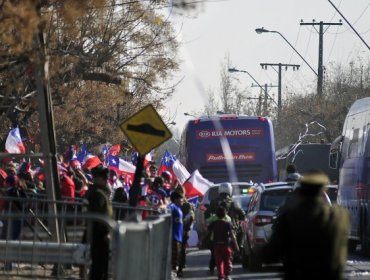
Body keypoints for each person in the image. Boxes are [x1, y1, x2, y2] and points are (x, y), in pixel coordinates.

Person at [260, 170, 350, 280]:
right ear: (323, 191)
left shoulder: (290, 218)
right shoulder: (338, 216)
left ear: (300, 192)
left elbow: (271, 255)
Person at [85, 165, 112, 280]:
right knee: (99, 267)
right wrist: (106, 232)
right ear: (97, 179)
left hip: (98, 234)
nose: (106, 180)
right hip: (99, 235)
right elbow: (100, 215)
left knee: (100, 266)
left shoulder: (100, 192)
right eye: (104, 178)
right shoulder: (98, 194)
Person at [208, 205, 239, 280]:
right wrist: (236, 245)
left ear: (216, 214)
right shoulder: (228, 224)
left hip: (216, 245)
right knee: (227, 260)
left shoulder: (213, 223)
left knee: (219, 262)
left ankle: (221, 276)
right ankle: (227, 275)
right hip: (226, 245)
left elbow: (208, 231)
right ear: (225, 214)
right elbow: (232, 235)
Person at [173, 185, 195, 277]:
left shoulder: (186, 205)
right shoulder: (175, 204)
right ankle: (177, 268)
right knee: (178, 250)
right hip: (178, 230)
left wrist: (184, 227)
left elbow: (191, 217)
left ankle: (179, 268)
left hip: (182, 231)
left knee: (180, 250)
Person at [167, 191, 184, 277]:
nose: (182, 200)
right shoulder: (173, 206)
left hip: (179, 239)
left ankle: (174, 275)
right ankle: (172, 276)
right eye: (181, 198)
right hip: (174, 238)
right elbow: (167, 207)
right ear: (176, 199)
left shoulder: (179, 209)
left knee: (177, 259)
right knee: (173, 260)